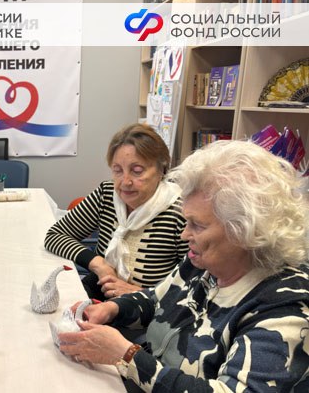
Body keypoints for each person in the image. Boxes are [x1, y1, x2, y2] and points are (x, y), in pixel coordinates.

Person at [58, 140, 309, 392]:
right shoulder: (204, 263)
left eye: (197, 225)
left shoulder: (284, 310)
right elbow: (157, 300)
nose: (184, 234)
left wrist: (126, 356)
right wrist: (113, 309)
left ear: (245, 231)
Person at [44, 123, 188, 299]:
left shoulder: (181, 212)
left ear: (161, 170)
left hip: (151, 308)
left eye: (137, 171)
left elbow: (195, 285)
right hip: (102, 294)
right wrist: (98, 264)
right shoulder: (106, 194)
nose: (125, 182)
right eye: (117, 171)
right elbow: (55, 235)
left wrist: (141, 295)